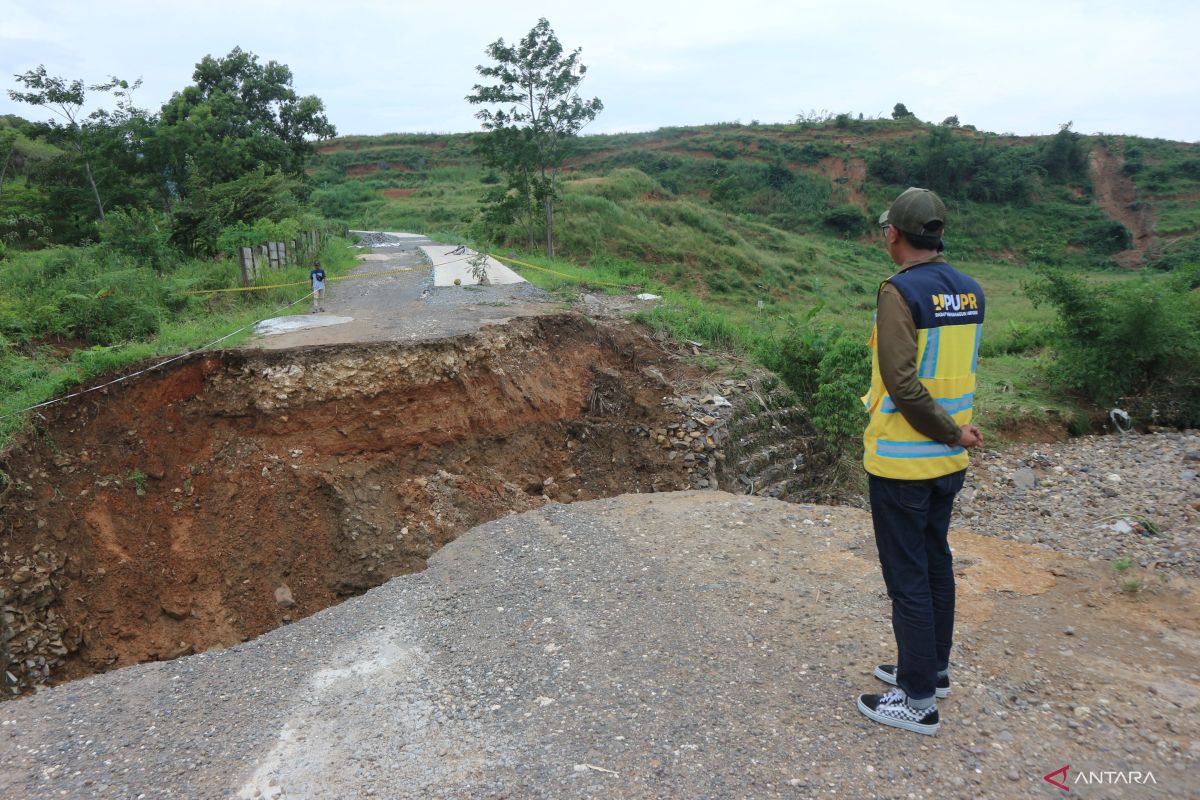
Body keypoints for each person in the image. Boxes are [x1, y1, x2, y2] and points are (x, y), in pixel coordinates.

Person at [855, 187, 985, 736]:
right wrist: (955, 435)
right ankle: (932, 668)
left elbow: (904, 385)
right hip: (946, 466)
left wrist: (951, 432)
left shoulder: (899, 292)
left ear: (893, 234)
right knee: (935, 565)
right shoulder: (971, 291)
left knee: (908, 576)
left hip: (903, 462)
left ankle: (916, 701)